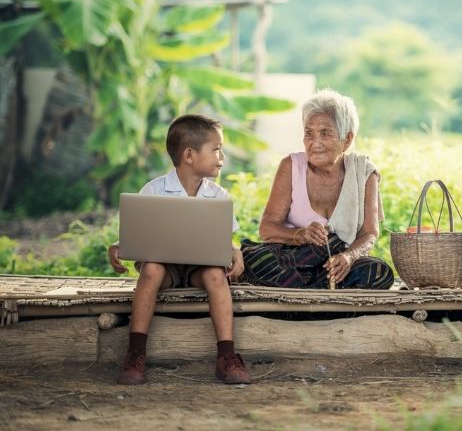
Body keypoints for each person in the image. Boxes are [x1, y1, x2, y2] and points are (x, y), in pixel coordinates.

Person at [107, 114, 251, 385]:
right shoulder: (154, 190)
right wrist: (119, 245)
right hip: (166, 269)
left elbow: (225, 238)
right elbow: (138, 234)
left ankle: (226, 356)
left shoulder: (218, 196)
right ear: (189, 155)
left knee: (215, 275)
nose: (222, 156)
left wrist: (234, 250)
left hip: (200, 268)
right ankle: (135, 354)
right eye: (217, 149)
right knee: (151, 268)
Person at [240, 89, 394, 289]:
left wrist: (348, 257)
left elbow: (370, 233)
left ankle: (301, 298)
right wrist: (301, 235)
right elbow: (267, 229)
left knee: (379, 272)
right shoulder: (291, 166)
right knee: (259, 260)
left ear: (346, 139)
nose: (315, 142)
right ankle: (323, 299)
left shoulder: (364, 172)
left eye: (325, 133)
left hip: (335, 266)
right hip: (294, 260)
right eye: (309, 133)